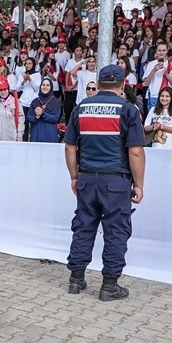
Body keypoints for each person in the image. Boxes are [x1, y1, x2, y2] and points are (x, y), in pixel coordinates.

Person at [63, 64, 146, 301]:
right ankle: (109, 286)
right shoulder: (127, 110)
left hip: (87, 179)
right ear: (122, 86)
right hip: (116, 182)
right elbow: (136, 152)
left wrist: (74, 176)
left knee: (83, 228)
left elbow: (70, 147)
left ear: (98, 84)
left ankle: (76, 280)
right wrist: (139, 184)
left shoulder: (81, 108)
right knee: (116, 232)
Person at [27, 77, 62, 142]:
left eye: (48, 85)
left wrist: (43, 113)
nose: (45, 87)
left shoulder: (56, 102)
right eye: (43, 85)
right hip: (36, 135)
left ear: (51, 87)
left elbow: (55, 118)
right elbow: (29, 117)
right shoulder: (35, 101)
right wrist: (36, 116)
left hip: (50, 135)